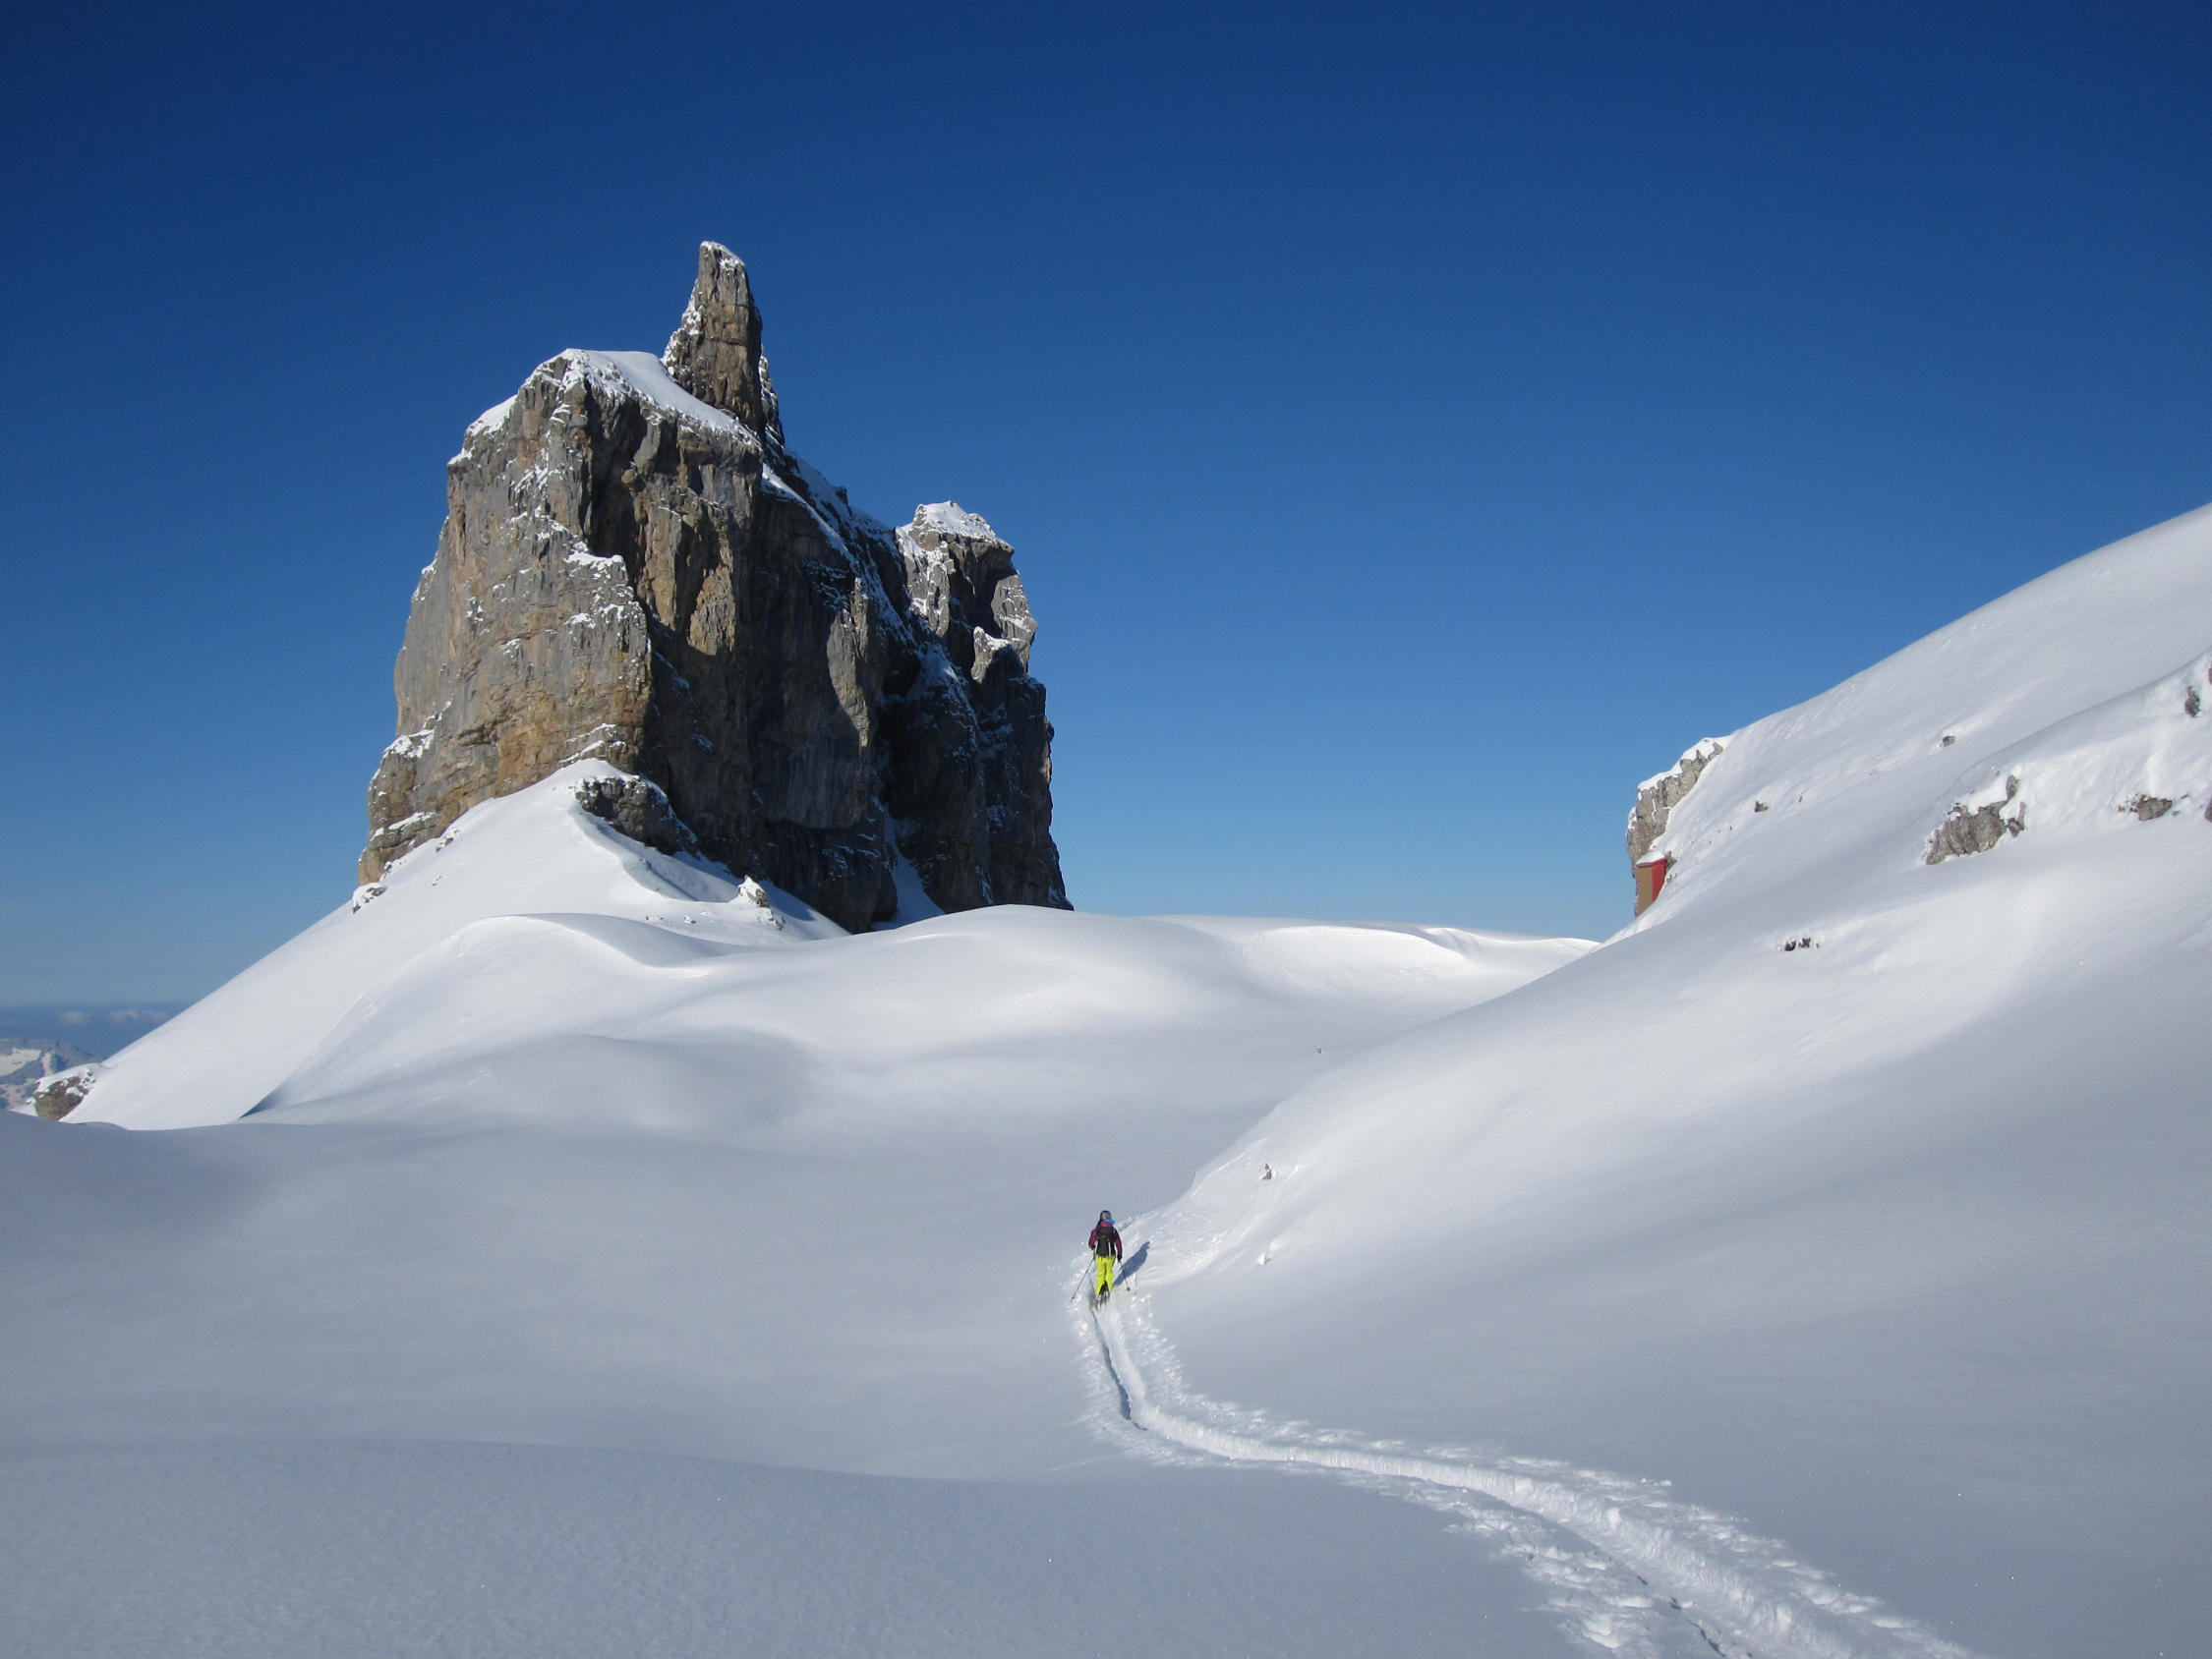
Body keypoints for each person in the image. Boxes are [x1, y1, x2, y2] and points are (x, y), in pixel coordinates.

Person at [1087, 1210, 1123, 1301]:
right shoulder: (1113, 1230)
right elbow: (1118, 1243)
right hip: (1111, 1256)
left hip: (1099, 1256)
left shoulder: (1097, 1230)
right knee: (1109, 1274)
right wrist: (1119, 1255)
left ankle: (1098, 1293)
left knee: (1100, 1274)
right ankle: (1109, 1290)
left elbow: (1090, 1243)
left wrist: (1094, 1248)